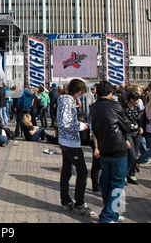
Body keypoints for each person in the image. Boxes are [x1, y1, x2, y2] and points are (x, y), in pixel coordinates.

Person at [90, 80, 132, 223]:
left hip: (104, 148)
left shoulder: (93, 107)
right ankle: (108, 216)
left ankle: (112, 213)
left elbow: (94, 128)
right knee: (117, 184)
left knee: (107, 182)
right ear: (110, 93)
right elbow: (127, 125)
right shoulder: (114, 106)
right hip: (117, 148)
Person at [57, 78, 97, 217]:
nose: (81, 96)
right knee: (82, 171)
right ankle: (79, 203)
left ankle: (66, 201)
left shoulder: (63, 100)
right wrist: (81, 126)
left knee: (67, 171)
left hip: (65, 141)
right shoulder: (68, 101)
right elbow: (65, 123)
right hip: (70, 142)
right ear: (78, 91)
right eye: (81, 93)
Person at [122, 91, 144, 185]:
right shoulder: (123, 109)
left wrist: (140, 127)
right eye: (137, 99)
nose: (138, 101)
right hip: (128, 134)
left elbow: (137, 119)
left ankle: (131, 173)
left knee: (135, 154)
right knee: (132, 155)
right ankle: (125, 174)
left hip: (137, 133)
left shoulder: (135, 108)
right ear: (131, 99)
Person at [136, 89, 151, 168]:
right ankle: (138, 160)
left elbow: (144, 118)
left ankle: (139, 160)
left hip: (149, 129)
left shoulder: (148, 106)